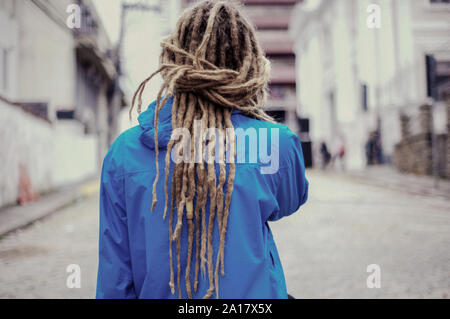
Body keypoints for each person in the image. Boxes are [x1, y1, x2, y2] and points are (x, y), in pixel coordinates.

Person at [96, 0, 309, 299]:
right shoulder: (276, 143)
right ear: (248, 63)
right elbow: (288, 201)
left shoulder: (124, 153)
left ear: (175, 59)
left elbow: (115, 274)